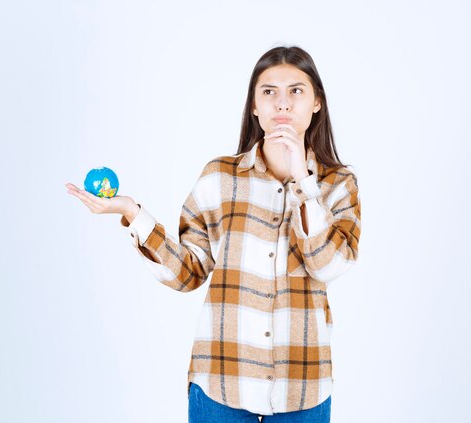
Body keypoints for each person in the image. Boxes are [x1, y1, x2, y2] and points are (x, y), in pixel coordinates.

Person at [66, 45, 361, 423]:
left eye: (296, 91)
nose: (282, 104)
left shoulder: (338, 185)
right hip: (219, 383)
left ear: (316, 102)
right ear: (254, 106)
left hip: (302, 389)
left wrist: (303, 181)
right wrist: (132, 213)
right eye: (268, 92)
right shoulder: (219, 177)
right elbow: (188, 271)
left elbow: (328, 265)